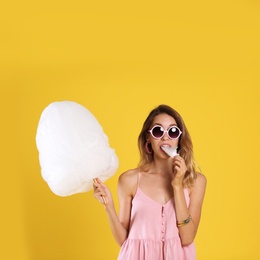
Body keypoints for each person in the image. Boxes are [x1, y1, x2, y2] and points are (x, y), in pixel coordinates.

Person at [93, 104, 207, 260]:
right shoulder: (129, 180)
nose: (165, 137)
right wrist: (109, 206)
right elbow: (124, 241)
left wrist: (177, 186)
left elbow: (187, 238)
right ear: (148, 137)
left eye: (173, 132)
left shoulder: (196, 181)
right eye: (158, 131)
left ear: (179, 138)